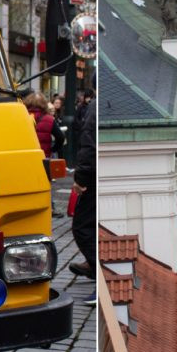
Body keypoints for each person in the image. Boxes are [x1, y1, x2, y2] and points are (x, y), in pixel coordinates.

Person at [68, 87, 96, 305]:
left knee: (82, 225)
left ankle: (98, 269)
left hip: (95, 175)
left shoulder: (95, 107)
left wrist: (81, 178)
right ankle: (93, 263)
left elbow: (88, 144)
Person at [24, 92, 66, 216]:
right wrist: (53, 149)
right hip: (44, 157)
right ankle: (49, 207)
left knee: (28, 181)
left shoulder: (22, 116)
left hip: (26, 156)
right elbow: (60, 137)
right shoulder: (49, 119)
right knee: (46, 182)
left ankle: (28, 205)